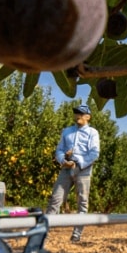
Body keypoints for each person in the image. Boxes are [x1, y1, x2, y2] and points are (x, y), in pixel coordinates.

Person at [46, 103, 100, 242]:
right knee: (55, 199)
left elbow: (94, 153)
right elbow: (59, 150)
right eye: (76, 113)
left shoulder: (92, 133)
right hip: (66, 168)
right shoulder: (67, 131)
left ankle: (76, 234)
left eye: (81, 113)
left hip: (83, 170)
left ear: (88, 117)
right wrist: (63, 160)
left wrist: (79, 162)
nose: (78, 116)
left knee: (82, 202)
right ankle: (44, 232)